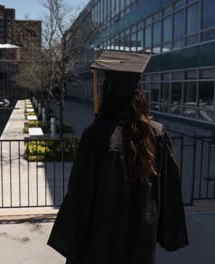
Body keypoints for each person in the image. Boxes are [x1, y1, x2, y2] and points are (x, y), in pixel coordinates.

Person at [47, 51, 189, 264]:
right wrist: (167, 233)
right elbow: (168, 192)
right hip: (140, 240)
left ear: (107, 92)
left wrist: (72, 242)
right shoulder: (156, 134)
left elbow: (79, 195)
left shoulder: (95, 136)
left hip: (99, 242)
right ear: (139, 93)